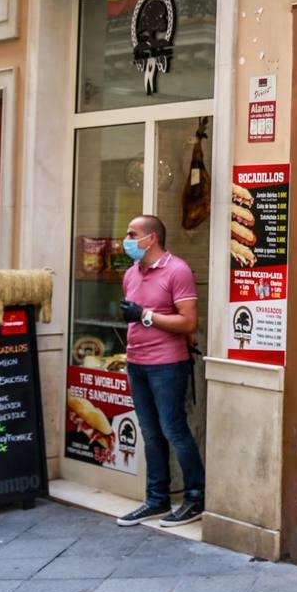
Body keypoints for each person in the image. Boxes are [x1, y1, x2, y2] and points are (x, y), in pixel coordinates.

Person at [114, 215, 205, 527]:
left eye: (131, 233)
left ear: (150, 238)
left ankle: (195, 497)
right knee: (150, 433)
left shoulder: (177, 270)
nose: (125, 240)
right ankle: (156, 499)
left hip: (167, 364)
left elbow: (189, 322)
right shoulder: (130, 274)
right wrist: (136, 318)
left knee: (173, 430)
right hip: (137, 362)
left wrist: (145, 316)